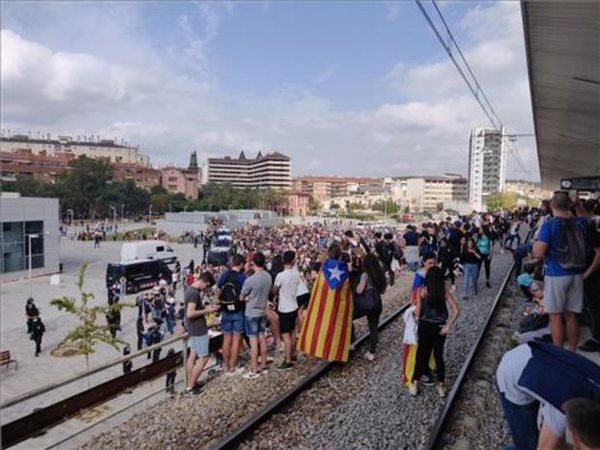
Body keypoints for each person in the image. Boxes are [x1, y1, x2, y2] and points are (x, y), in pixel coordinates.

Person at [496, 342, 600, 450]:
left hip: (540, 356)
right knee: (527, 443)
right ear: (576, 438)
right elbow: (543, 448)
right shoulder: (565, 404)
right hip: (512, 376)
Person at [533, 192, 588, 351]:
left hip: (557, 274)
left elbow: (539, 254)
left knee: (555, 315)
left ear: (551, 206)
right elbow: (587, 218)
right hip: (577, 274)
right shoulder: (580, 223)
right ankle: (572, 351)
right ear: (569, 206)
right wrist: (578, 205)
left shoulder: (549, 225)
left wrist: (535, 244)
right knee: (571, 315)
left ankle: (558, 353)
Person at [297, 242, 353, 363]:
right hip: (336, 306)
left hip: (321, 306)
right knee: (335, 327)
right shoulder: (345, 271)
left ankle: (315, 351)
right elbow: (346, 292)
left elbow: (317, 287)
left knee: (318, 326)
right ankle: (334, 352)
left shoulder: (323, 270)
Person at [410, 267, 459, 397]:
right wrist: (447, 326)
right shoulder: (444, 292)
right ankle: (441, 385)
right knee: (439, 356)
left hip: (424, 327)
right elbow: (456, 310)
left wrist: (413, 313)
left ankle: (414, 383)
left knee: (421, 355)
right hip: (439, 328)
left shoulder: (422, 291)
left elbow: (418, 312)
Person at [184, 272, 219, 395]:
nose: (207, 290)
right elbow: (190, 313)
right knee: (204, 357)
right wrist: (207, 310)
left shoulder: (189, 289)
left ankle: (190, 383)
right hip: (198, 329)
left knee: (192, 356)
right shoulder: (194, 294)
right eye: (208, 287)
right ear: (206, 283)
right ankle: (190, 387)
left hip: (192, 328)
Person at [241, 252, 272, 379]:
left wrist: (248, 297)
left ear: (253, 262)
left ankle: (254, 370)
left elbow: (241, 297)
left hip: (251, 312)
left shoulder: (250, 280)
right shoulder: (268, 277)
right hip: (262, 311)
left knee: (253, 342)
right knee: (262, 338)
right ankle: (263, 366)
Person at [216, 254, 247, 375]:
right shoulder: (242, 278)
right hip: (238, 310)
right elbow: (243, 296)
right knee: (236, 340)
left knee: (226, 339)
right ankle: (233, 367)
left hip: (225, 310)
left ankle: (226, 366)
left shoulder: (224, 275)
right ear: (241, 264)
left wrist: (218, 303)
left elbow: (218, 291)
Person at [353, 253, 387, 361]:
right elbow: (383, 290)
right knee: (373, 328)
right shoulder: (379, 274)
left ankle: (351, 342)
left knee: (349, 317)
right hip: (377, 302)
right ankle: (371, 352)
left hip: (366, 304)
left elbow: (359, 290)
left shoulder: (365, 275)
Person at [273, 250, 301, 371]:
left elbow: (274, 290)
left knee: (285, 335)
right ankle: (293, 355)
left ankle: (288, 360)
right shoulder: (296, 274)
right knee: (292, 332)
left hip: (284, 308)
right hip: (294, 305)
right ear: (293, 261)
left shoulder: (280, 276)